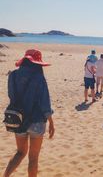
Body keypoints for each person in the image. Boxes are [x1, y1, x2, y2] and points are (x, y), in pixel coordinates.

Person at [3, 49, 55, 177]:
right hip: (37, 120)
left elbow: (12, 96)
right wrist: (51, 122)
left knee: (20, 152)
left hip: (18, 119)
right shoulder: (39, 78)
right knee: (33, 158)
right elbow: (44, 102)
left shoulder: (13, 75)